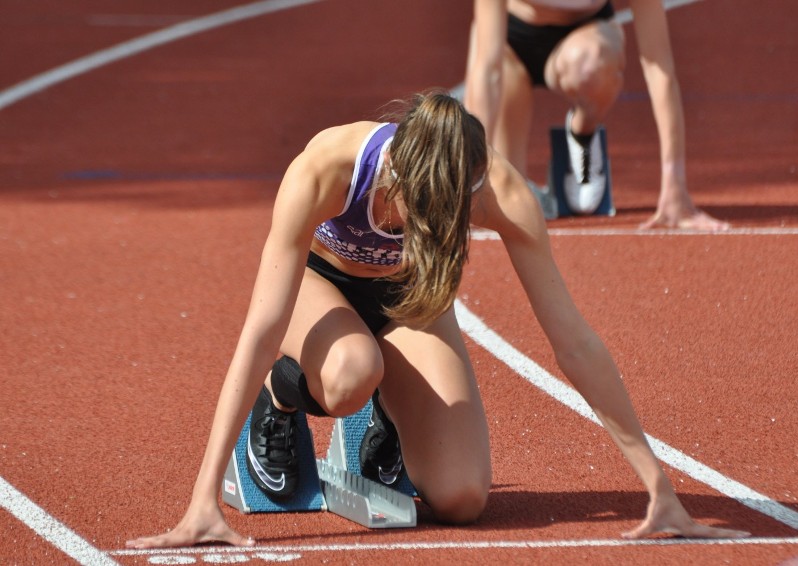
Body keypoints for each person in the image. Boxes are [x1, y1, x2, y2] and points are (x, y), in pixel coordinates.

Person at [126, 91, 748, 549]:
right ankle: (282, 401)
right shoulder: (326, 168)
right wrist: (201, 502)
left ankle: (392, 420)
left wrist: (658, 487)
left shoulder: (499, 192)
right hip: (318, 290)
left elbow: (574, 344)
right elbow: (263, 325)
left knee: (461, 498)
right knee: (350, 373)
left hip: (409, 298)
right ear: (399, 173)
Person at [464, 0, 730, 230]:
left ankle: (582, 133)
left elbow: (659, 68)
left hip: (586, 38)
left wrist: (675, 185)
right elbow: (488, 69)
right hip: (509, 42)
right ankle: (529, 189)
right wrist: (469, 180)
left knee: (592, 62)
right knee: (505, 197)